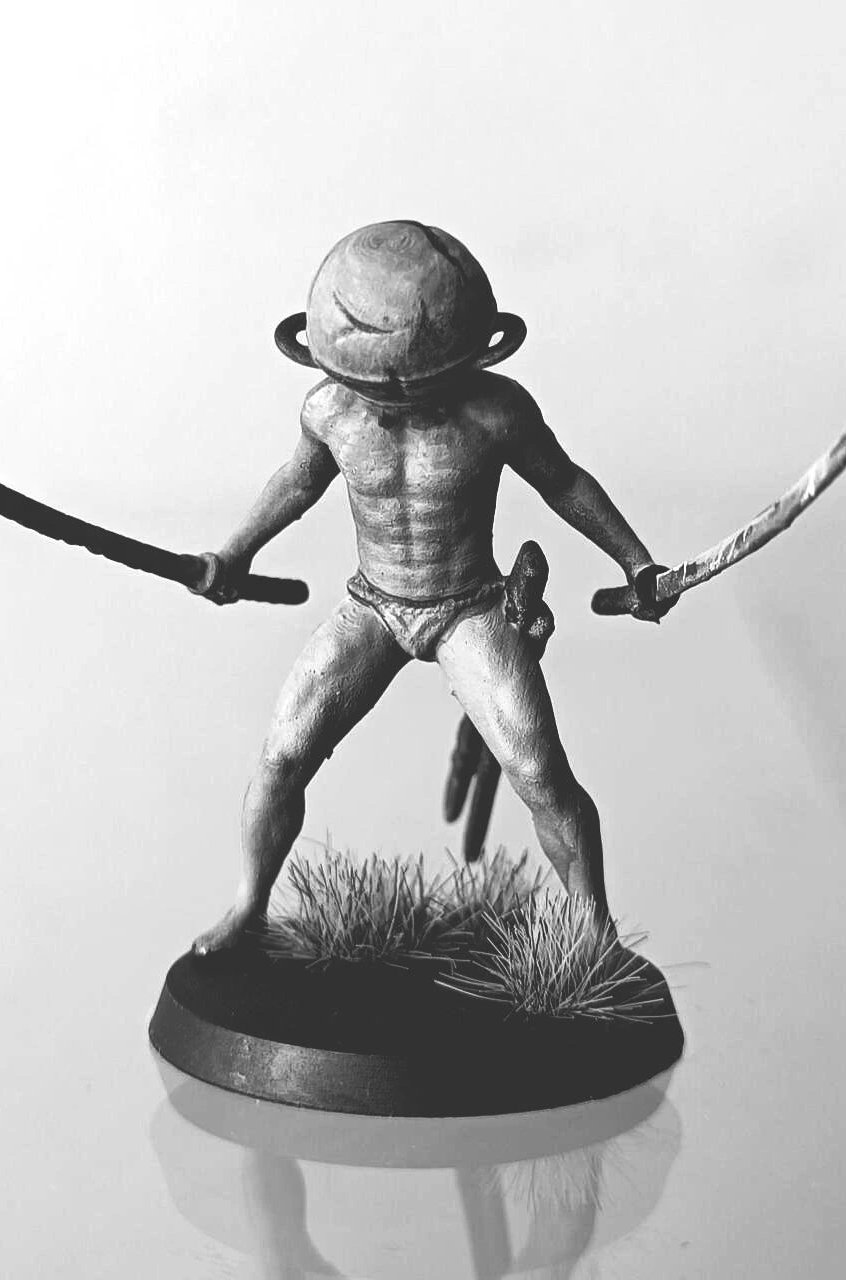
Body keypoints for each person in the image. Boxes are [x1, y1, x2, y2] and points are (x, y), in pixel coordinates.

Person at [192, 221, 672, 956]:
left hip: (468, 607)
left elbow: (565, 482)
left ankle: (593, 934)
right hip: (373, 605)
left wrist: (636, 564)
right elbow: (295, 484)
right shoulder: (328, 411)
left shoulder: (497, 412)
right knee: (282, 755)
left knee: (541, 773)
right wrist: (233, 554)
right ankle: (248, 908)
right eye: (370, 383)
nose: (390, 399)